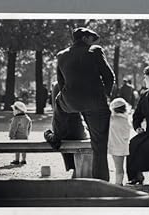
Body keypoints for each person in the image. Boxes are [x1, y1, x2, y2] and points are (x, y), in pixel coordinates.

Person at [44, 27, 115, 181]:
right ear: (84, 38)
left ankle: (56, 136)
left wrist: (70, 98)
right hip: (96, 102)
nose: (93, 41)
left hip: (70, 101)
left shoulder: (61, 55)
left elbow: (61, 83)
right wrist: (105, 96)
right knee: (99, 145)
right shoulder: (95, 50)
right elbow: (109, 76)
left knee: (59, 102)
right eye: (91, 38)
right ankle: (101, 182)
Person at [51, 81, 89, 172]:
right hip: (77, 131)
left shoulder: (57, 88)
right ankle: (76, 169)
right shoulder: (76, 89)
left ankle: (72, 167)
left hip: (63, 132)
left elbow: (56, 113)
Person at [108, 98, 131, 185]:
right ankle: (119, 182)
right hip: (124, 146)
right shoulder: (126, 120)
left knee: (118, 167)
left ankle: (118, 184)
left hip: (115, 146)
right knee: (120, 167)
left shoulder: (111, 119)